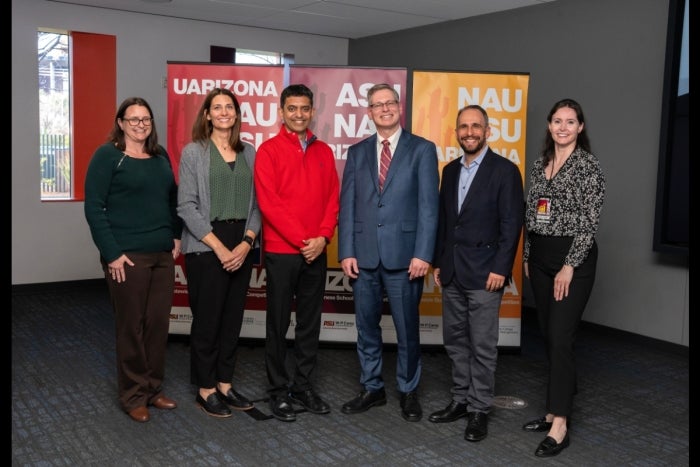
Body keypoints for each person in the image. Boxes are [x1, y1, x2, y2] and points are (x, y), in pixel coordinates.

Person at [338, 83, 439, 422]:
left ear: (399, 107)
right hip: (363, 257)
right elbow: (348, 203)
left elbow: (429, 208)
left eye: (390, 103)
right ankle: (372, 387)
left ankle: (408, 391)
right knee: (366, 327)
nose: (384, 109)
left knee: (407, 328)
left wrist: (423, 254)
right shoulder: (357, 152)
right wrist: (346, 251)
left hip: (405, 257)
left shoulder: (422, 150)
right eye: (377, 105)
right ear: (369, 112)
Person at [429, 105, 524, 441]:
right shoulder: (450, 170)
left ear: (488, 130)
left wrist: (502, 268)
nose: (469, 132)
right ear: (456, 131)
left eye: (476, 126)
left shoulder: (505, 171)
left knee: (482, 346)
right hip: (452, 272)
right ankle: (459, 400)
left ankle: (479, 409)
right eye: (463, 127)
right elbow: (444, 221)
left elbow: (512, 225)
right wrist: (439, 261)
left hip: (487, 274)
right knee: (455, 342)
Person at [84, 97, 182, 423]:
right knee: (131, 327)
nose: (140, 124)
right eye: (134, 119)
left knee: (157, 325)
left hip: (162, 255)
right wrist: (111, 253)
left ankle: (154, 389)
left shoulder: (160, 155)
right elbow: (94, 208)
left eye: (146, 119)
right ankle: (133, 395)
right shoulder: (108, 156)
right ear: (121, 122)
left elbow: (172, 199)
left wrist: (177, 235)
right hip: (126, 257)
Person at [521, 98, 605, 457]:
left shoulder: (589, 167)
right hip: (540, 257)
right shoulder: (541, 165)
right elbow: (530, 212)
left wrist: (569, 265)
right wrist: (527, 254)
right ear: (549, 125)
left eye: (570, 122)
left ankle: (561, 424)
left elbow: (589, 222)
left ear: (580, 127)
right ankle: (553, 409)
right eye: (557, 121)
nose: (563, 127)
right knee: (547, 333)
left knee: (560, 337)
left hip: (573, 259)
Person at [253, 83, 339, 422]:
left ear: (312, 111)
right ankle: (277, 391)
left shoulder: (324, 152)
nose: (299, 114)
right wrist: (306, 240)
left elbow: (333, 198)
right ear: (282, 112)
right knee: (277, 323)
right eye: (292, 109)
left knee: (309, 324)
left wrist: (322, 237)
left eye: (305, 108)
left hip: (316, 251)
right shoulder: (269, 151)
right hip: (283, 251)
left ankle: (303, 387)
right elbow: (269, 204)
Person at [177, 88, 261, 418]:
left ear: (237, 114)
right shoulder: (194, 153)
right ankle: (206, 387)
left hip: (242, 243)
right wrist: (221, 247)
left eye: (229, 107)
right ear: (207, 115)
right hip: (205, 244)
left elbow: (259, 206)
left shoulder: (249, 153)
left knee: (232, 319)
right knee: (208, 320)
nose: (224, 111)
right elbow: (186, 206)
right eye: (217, 107)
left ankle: (225, 383)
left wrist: (246, 242)